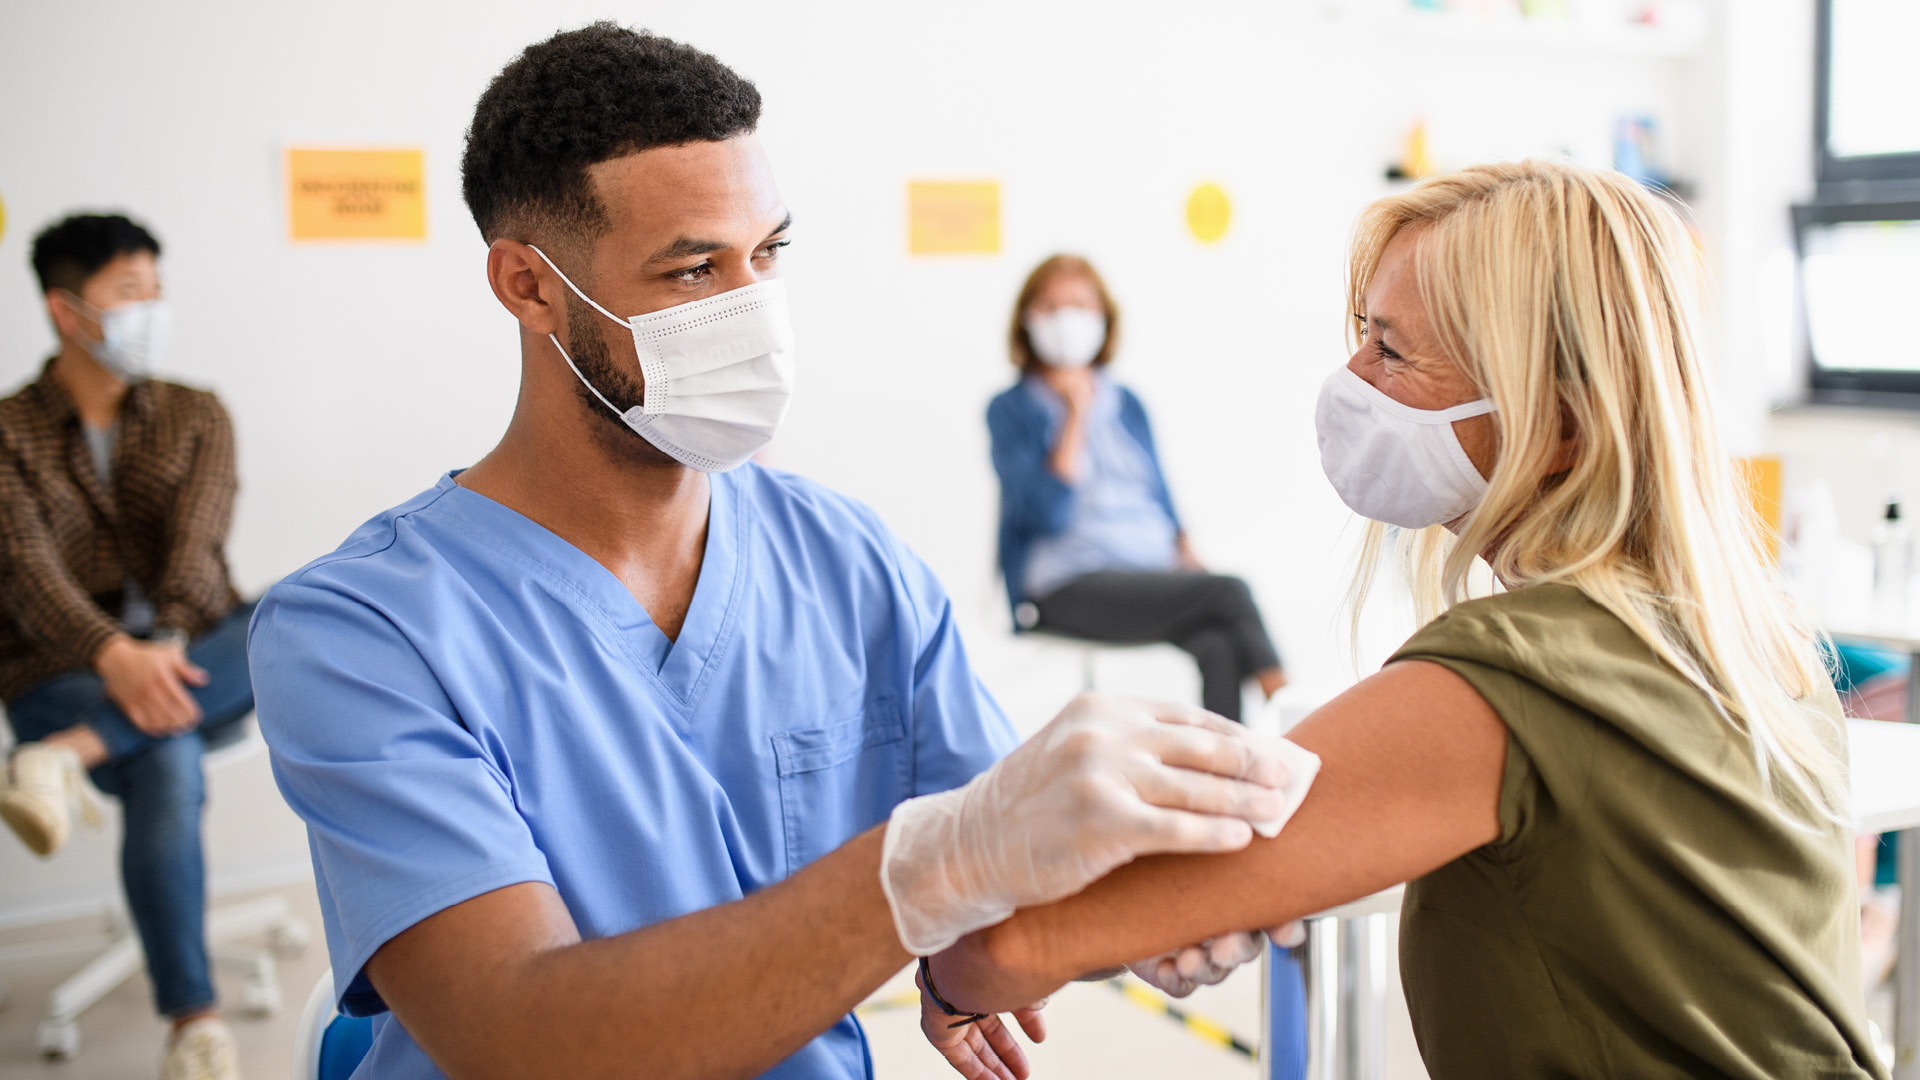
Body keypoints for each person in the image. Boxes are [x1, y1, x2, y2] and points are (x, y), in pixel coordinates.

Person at [246, 25, 1300, 1080]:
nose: (752, 309)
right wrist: (928, 875)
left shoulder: (848, 563)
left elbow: (1004, 899)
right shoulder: (360, 632)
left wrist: (1150, 893)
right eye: (695, 268)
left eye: (769, 254)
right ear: (530, 288)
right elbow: (524, 1035)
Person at [919, 159, 1888, 1080]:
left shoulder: (1509, 680)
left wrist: (951, 973)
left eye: (1392, 347)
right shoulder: (1764, 642)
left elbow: (1018, 940)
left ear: (1558, 424)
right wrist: (1257, 874)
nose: (1351, 378)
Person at [0, 213, 254, 1080]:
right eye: (128, 293)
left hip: (193, 648)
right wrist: (115, 654)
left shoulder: (196, 412)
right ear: (66, 312)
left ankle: (64, 758)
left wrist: (168, 640)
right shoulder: (6, 430)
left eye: (156, 290)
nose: (152, 310)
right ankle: (195, 1023)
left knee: (288, 612)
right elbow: (23, 569)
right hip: (56, 666)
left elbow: (199, 542)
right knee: (168, 757)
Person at [988, 255, 1287, 722]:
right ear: (1027, 321)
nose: (1066, 319)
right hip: (1065, 587)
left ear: (1103, 318)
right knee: (1229, 592)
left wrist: (1184, 549)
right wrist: (1074, 415)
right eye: (1050, 307)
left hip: (1148, 571)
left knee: (1219, 640)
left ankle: (1226, 777)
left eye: (1079, 306)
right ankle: (1298, 718)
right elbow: (1049, 514)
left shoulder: (1128, 404)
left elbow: (1158, 493)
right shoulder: (1010, 409)